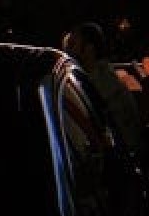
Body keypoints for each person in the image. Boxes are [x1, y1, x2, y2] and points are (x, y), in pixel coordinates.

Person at [62, 21, 144, 154]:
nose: (66, 52)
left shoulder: (103, 84)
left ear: (89, 49)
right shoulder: (99, 76)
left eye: (72, 45)